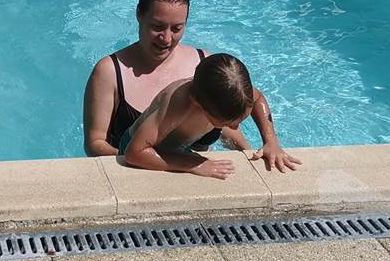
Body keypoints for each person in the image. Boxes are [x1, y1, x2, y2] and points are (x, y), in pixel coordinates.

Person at [82, 0, 299, 177]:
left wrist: (263, 146)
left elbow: (230, 121)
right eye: (157, 27)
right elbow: (96, 144)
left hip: (191, 157)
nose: (166, 38)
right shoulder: (110, 71)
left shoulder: (206, 65)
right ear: (139, 14)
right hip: (140, 165)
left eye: (177, 28)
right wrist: (179, 166)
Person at [120, 53, 300, 179]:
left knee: (242, 149)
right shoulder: (178, 104)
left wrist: (271, 141)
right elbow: (134, 153)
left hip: (186, 140)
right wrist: (192, 164)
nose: (236, 127)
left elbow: (258, 98)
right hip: (146, 146)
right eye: (229, 122)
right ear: (198, 103)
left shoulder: (236, 91)